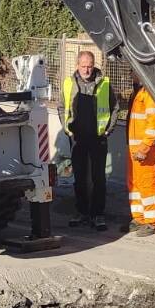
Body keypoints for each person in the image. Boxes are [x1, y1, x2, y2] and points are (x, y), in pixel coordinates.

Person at [62, 50, 118, 231]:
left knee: (98, 179)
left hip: (98, 138)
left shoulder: (104, 84)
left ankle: (98, 214)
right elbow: (62, 107)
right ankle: (81, 212)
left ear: (94, 65)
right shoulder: (69, 83)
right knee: (79, 178)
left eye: (90, 66)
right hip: (78, 138)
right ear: (77, 65)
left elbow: (114, 108)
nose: (87, 69)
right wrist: (67, 129)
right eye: (83, 66)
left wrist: (108, 130)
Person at [126, 75, 155, 237]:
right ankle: (139, 218)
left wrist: (144, 147)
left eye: (134, 71)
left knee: (147, 183)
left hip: (143, 150)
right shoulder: (139, 92)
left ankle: (151, 222)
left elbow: (154, 125)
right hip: (135, 148)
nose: (131, 74)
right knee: (134, 184)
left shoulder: (148, 93)